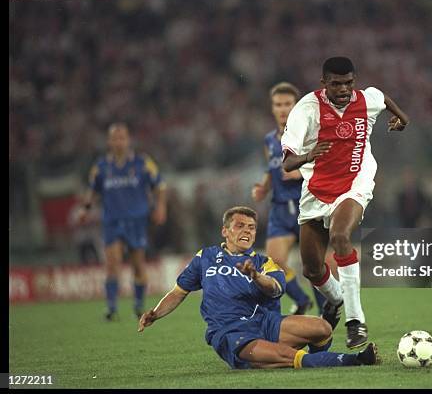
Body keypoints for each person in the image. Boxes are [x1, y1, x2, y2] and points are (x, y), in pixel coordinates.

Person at [137, 206, 380, 369]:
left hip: (264, 323)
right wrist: (155, 314)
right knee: (288, 356)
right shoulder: (205, 257)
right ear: (225, 231)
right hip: (230, 333)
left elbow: (275, 289)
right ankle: (355, 360)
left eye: (251, 227)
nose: (246, 231)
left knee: (323, 328)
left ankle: (313, 359)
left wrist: (255, 276)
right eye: (239, 226)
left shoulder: (264, 262)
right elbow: (179, 291)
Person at [281, 57, 410, 349]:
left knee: (340, 236)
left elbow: (384, 98)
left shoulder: (366, 100)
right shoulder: (306, 110)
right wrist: (309, 155)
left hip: (355, 182)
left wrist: (403, 119)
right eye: (336, 83)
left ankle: (356, 321)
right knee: (312, 270)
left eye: (348, 83)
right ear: (323, 82)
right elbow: (288, 163)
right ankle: (337, 299)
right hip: (316, 190)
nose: (343, 89)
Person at [78, 123, 167, 320]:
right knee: (112, 263)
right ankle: (111, 309)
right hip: (112, 221)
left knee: (138, 266)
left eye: (122, 137)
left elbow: (159, 185)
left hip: (137, 220)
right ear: (109, 142)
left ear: (128, 140)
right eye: (115, 138)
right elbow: (92, 189)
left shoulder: (142, 163)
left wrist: (160, 207)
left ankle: (138, 306)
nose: (119, 141)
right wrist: (85, 209)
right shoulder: (101, 167)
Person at [251, 82, 326, 315]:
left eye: (287, 104)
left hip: (307, 205)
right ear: (272, 108)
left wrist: (299, 171)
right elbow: (271, 168)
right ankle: (301, 300)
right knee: (274, 260)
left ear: (297, 106)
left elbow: (325, 166)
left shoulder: (309, 135)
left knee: (313, 265)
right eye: (278, 104)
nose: (282, 109)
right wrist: (264, 186)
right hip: (281, 208)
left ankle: (327, 313)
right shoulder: (269, 141)